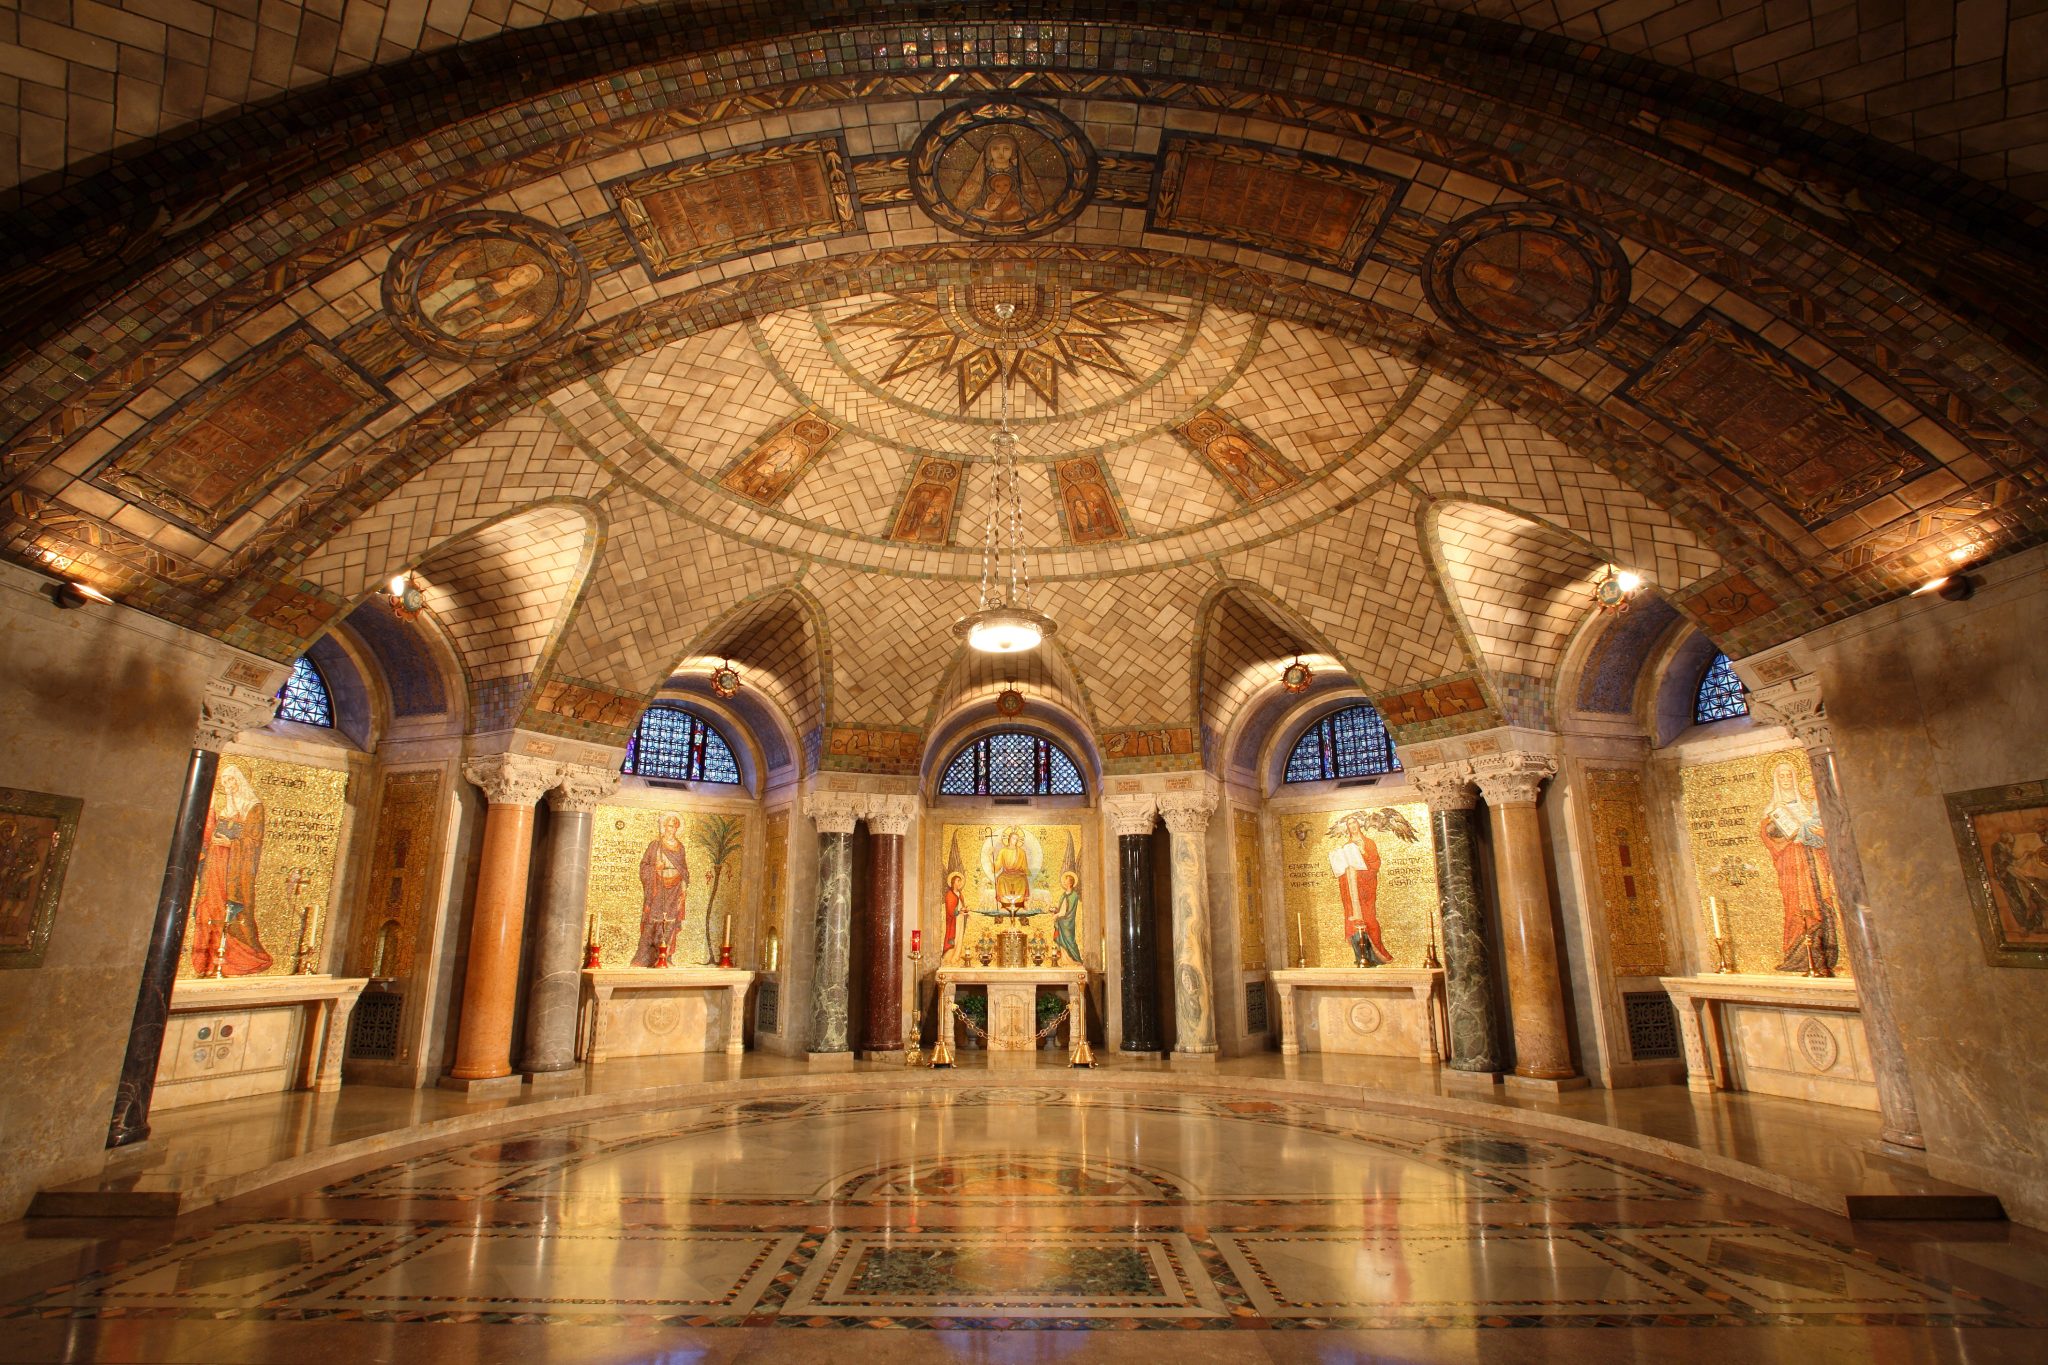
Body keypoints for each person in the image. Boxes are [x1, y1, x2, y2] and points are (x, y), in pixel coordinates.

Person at [1757, 760, 1839, 971]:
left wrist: (1811, 834)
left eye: (1789, 775)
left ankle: (1824, 956)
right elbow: (1769, 838)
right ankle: (1799, 957)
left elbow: (1822, 830)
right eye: (1781, 776)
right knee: (1797, 905)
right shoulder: (1771, 810)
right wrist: (1779, 832)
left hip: (1813, 858)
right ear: (1775, 780)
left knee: (1821, 900)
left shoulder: (1808, 804)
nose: (1786, 780)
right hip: (1791, 865)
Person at [192, 764, 272, 976]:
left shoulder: (254, 807)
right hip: (215, 866)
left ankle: (237, 958)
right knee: (208, 907)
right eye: (224, 781)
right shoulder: (222, 805)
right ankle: (208, 961)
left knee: (230, 911)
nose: (228, 785)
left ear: (241, 780)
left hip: (236, 871)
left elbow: (254, 842)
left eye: (231, 780)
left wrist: (231, 844)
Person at [1329, 813, 1391, 966]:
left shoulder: (1369, 843)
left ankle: (1377, 955)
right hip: (1351, 888)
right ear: (1348, 828)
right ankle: (1360, 956)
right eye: (1350, 824)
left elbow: (1375, 864)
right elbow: (1342, 867)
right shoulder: (1346, 847)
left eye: (1354, 823)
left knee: (1369, 919)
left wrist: (1363, 851)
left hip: (1365, 889)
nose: (1353, 826)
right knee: (1353, 919)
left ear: (1359, 825)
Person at [632, 814, 690, 966]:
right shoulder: (655, 845)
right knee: (653, 920)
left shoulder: (680, 847)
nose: (671, 829)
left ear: (677, 828)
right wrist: (654, 868)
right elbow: (643, 866)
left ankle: (666, 956)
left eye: (674, 826)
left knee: (671, 921)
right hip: (657, 887)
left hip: (675, 888)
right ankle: (645, 956)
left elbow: (684, 869)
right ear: (664, 826)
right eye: (669, 825)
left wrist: (684, 885)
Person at [954, 132, 1035, 224]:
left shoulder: (1019, 173)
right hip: (986, 217)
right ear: (989, 151)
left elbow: (1026, 204)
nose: (1001, 153)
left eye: (1006, 148)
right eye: (996, 148)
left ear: (1013, 151)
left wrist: (1020, 212)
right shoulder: (981, 173)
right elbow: (972, 204)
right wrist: (977, 211)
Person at [1052, 870, 1082, 965]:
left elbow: (1068, 911)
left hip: (1067, 923)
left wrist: (1058, 915)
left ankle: (1076, 960)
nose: (1064, 882)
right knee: (1062, 941)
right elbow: (1061, 908)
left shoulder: (1074, 895)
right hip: (1061, 922)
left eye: (1066, 881)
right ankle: (1064, 961)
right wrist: (1054, 910)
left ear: (1070, 883)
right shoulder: (1064, 894)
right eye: (1064, 880)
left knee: (1070, 941)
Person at [942, 870, 966, 956]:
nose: (959, 883)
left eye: (960, 881)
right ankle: (949, 957)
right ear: (953, 882)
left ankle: (956, 956)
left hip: (960, 919)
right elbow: (950, 910)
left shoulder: (960, 894)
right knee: (954, 938)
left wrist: (965, 909)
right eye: (958, 881)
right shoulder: (949, 894)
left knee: (959, 937)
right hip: (953, 921)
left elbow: (962, 905)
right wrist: (959, 911)